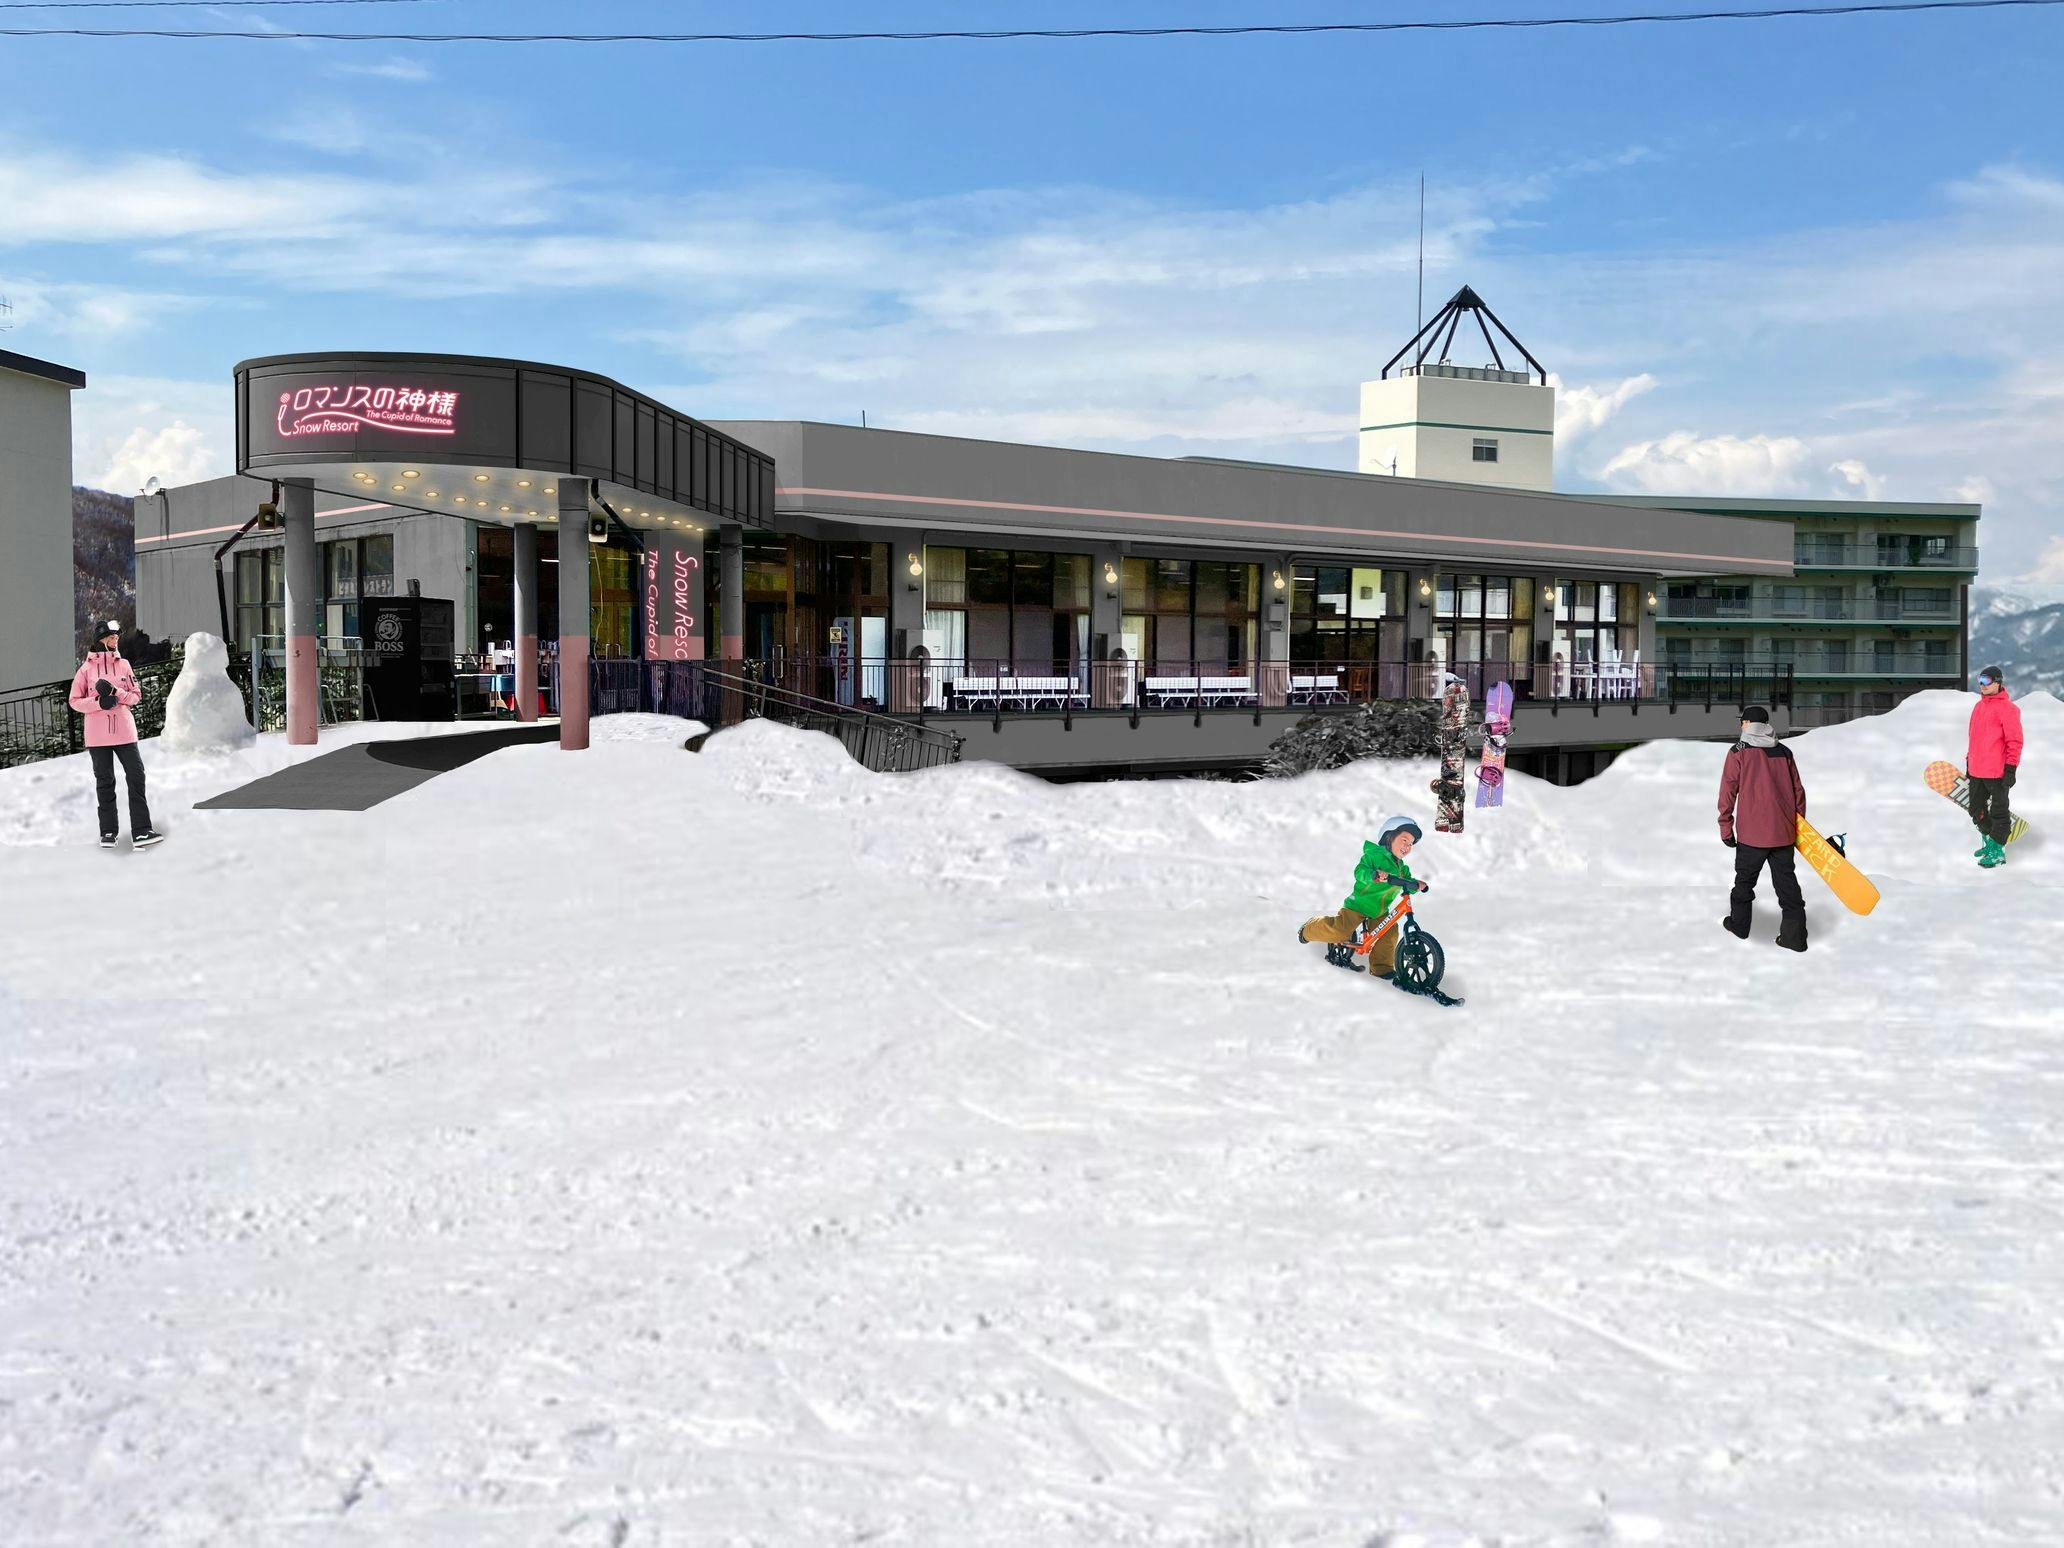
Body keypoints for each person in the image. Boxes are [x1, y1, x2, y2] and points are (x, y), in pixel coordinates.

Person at [1298, 815, 1430, 980]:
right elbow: (1360, 871)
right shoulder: (1374, 855)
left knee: (1389, 933)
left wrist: (1417, 884)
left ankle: (1381, 968)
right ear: (1389, 837)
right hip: (1358, 905)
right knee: (1340, 931)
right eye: (1404, 840)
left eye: (1411, 844)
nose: (1407, 846)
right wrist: (1373, 875)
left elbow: (1408, 883)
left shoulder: (1402, 869)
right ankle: (1309, 929)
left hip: (1379, 911)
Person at [67, 619, 161, 849]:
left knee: (136, 776)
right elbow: (74, 701)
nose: (115, 640)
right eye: (111, 637)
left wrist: (116, 692)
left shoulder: (124, 665)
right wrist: (99, 703)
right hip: (97, 736)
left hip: (125, 732)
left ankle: (142, 830)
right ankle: (108, 832)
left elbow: (135, 696)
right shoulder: (85, 670)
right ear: (100, 639)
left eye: (117, 636)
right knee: (105, 781)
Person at [1717, 704, 1805, 951]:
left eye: (1742, 722)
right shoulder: (1784, 752)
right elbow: (1798, 792)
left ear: (1747, 724)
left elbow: (1727, 793)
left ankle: (1739, 926)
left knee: (1744, 884)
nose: (1740, 725)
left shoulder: (1738, 752)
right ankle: (1795, 938)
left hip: (1752, 836)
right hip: (1783, 833)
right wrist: (1797, 827)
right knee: (1787, 886)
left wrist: (1725, 828)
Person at [1967, 664, 2025, 869]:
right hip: (1977, 770)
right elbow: (1973, 738)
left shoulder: (2009, 709)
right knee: (1976, 810)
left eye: (1986, 680)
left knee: (1999, 812)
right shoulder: (1978, 707)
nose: (1982, 685)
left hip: (1997, 772)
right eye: (1980, 680)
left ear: (1998, 682)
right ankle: (1990, 841)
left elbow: (2015, 742)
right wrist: (1969, 762)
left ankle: (1997, 851)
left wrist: (2011, 768)